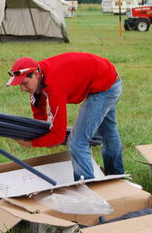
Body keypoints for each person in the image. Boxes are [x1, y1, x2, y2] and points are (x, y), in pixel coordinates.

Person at [6, 53, 124, 181]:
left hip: (106, 85)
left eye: (24, 83)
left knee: (77, 142)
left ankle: (86, 187)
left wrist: (32, 143)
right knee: (108, 131)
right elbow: (39, 116)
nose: (23, 89)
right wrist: (41, 134)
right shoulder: (39, 79)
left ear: (35, 74)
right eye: (20, 85)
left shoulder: (54, 86)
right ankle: (116, 178)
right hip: (105, 74)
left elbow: (58, 136)